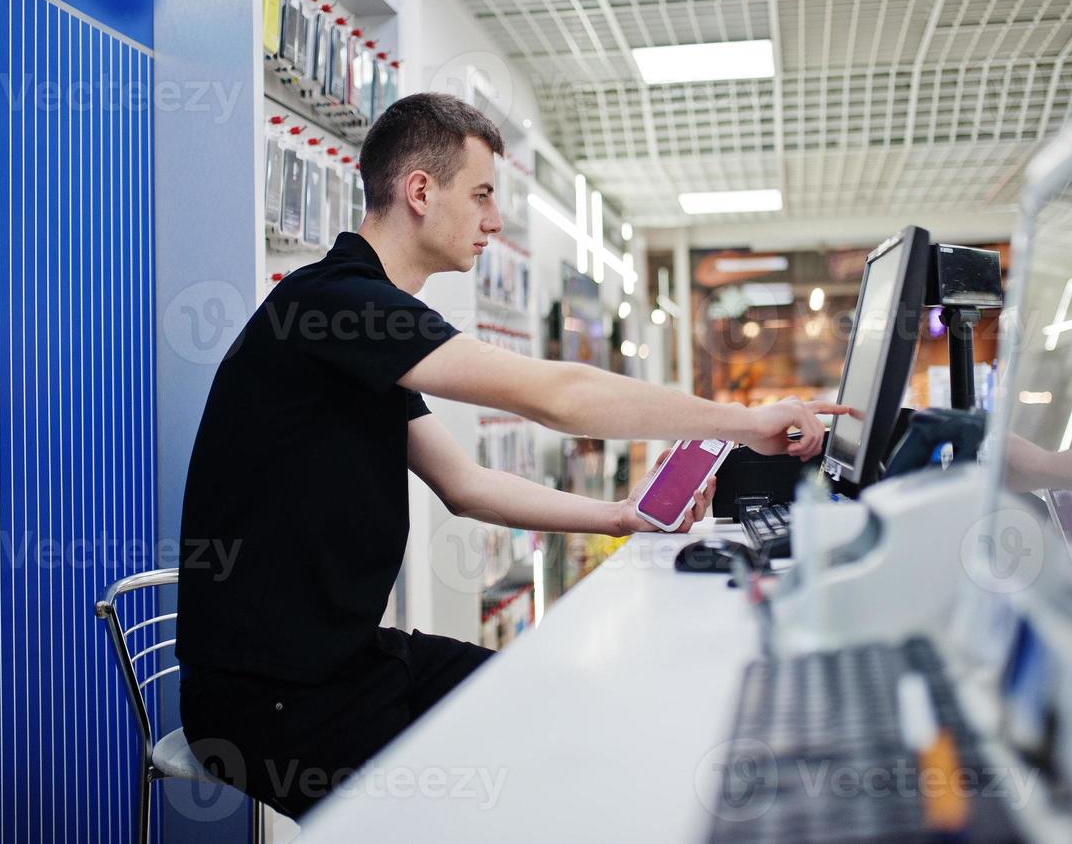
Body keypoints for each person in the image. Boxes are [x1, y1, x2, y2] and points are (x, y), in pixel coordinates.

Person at [176, 93, 845, 818]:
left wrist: (619, 515)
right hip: (271, 698)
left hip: (349, 661)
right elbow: (557, 395)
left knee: (554, 707)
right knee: (508, 795)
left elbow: (465, 485)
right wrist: (742, 422)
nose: (494, 221)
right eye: (483, 195)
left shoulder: (355, 321)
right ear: (421, 192)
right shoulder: (339, 303)